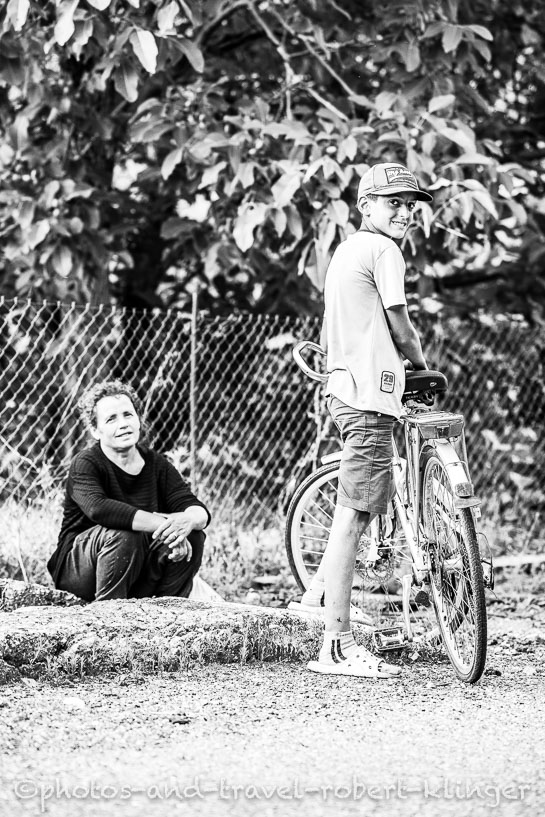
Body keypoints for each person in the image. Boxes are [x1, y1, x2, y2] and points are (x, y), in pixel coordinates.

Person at [292, 162, 432, 677]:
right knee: (354, 515)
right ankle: (337, 644)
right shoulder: (383, 250)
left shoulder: (345, 251)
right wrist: (421, 366)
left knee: (358, 509)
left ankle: (315, 597)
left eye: (410, 205)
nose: (405, 212)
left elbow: (333, 333)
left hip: (347, 391)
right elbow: (400, 322)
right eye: (393, 202)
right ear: (365, 205)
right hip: (370, 398)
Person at [47, 380, 210, 602]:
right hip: (82, 571)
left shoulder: (157, 464)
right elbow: (99, 509)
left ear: (138, 420)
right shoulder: (86, 463)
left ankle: (167, 610)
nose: (123, 424)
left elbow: (196, 509)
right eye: (111, 419)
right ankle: (108, 612)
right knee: (125, 533)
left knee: (193, 535)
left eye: (128, 415)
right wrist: (166, 525)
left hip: (136, 569)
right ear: (95, 430)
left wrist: (186, 522)